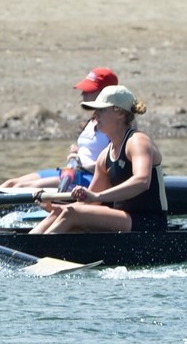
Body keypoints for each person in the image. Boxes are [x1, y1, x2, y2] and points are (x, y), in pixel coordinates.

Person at [31, 84, 166, 233]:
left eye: (101, 110)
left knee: (71, 214)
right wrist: (54, 206)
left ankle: (35, 251)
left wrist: (97, 195)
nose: (95, 115)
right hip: (124, 222)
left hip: (149, 225)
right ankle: (23, 248)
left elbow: (142, 181)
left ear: (120, 113)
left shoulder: (138, 141)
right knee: (59, 213)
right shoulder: (104, 156)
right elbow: (93, 202)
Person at [0, 67, 120, 190]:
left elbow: (114, 165)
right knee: (11, 183)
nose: (82, 93)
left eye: (88, 90)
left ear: (104, 93)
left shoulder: (114, 124)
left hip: (89, 177)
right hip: (72, 172)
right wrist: (78, 151)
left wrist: (80, 163)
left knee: (23, 186)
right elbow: (94, 149)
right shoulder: (94, 119)